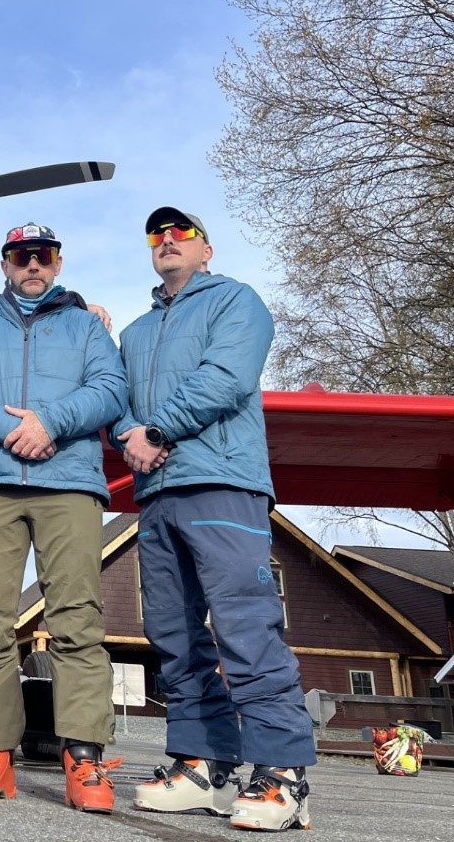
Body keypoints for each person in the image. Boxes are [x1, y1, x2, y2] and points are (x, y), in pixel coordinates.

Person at [115, 206, 316, 832]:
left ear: (206, 249)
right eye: (158, 235)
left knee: (245, 626)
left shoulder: (237, 302)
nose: (168, 241)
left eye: (182, 233)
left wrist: (155, 429)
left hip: (223, 482)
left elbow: (226, 378)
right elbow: (114, 396)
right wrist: (128, 430)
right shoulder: (137, 331)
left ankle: (283, 775)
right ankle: (201, 765)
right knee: (173, 632)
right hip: (157, 493)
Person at [0, 223, 128, 810]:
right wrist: (11, 428)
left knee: (76, 618)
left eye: (42, 256)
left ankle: (85, 758)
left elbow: (112, 390)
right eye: (21, 256)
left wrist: (51, 422)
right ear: (4, 264)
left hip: (69, 483)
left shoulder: (86, 326)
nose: (32, 265)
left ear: (59, 262)